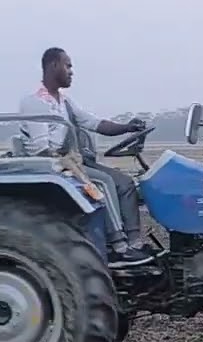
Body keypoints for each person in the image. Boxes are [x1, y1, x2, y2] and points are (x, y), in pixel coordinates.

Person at [18, 47, 154, 267]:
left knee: (125, 183)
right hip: (53, 164)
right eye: (68, 65)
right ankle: (117, 247)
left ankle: (134, 243)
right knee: (105, 181)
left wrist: (128, 127)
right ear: (53, 66)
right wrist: (70, 162)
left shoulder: (64, 102)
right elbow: (40, 147)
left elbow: (94, 123)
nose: (71, 71)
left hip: (72, 160)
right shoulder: (34, 102)